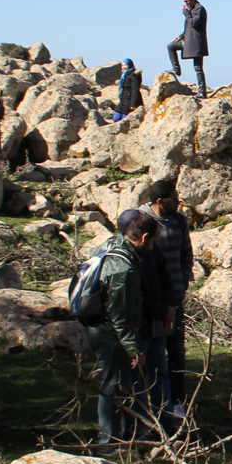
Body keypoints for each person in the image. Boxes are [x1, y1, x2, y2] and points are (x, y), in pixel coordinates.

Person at [80, 213, 159, 444]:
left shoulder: (112, 245)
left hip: (103, 329)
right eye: (153, 242)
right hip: (109, 335)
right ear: (143, 237)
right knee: (113, 387)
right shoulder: (123, 269)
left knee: (122, 385)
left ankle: (126, 435)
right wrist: (135, 351)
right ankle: (108, 442)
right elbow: (121, 318)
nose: (153, 248)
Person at [118, 208, 174, 433]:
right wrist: (163, 310)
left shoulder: (151, 251)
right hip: (138, 326)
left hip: (156, 323)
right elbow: (135, 299)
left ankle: (166, 424)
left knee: (160, 376)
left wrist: (170, 307)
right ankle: (140, 429)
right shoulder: (124, 260)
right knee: (136, 381)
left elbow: (166, 277)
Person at [141, 179, 195, 408]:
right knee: (149, 350)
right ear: (160, 202)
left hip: (174, 296)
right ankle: (149, 400)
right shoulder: (141, 220)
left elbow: (186, 252)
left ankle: (177, 401)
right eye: (175, 199)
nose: (179, 203)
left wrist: (183, 281)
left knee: (176, 350)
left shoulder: (179, 220)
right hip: (149, 298)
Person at [166, 0, 209, 95]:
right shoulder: (192, 10)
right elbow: (189, 27)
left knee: (198, 68)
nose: (186, 3)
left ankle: (202, 92)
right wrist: (180, 37)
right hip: (188, 41)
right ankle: (176, 69)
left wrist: (186, 12)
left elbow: (193, 23)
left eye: (187, 1)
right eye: (184, 1)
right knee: (171, 46)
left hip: (197, 43)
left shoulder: (200, 9)